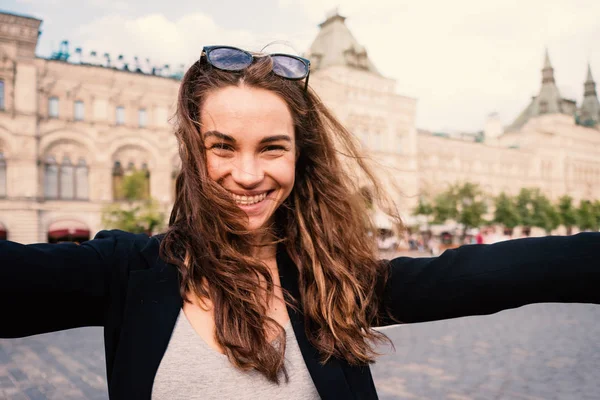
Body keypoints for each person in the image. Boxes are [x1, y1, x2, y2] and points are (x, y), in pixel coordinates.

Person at [1, 45, 599, 400]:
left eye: (272, 147)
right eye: (222, 146)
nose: (248, 172)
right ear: (192, 152)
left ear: (299, 156)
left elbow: (489, 273)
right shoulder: (125, 272)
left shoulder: (333, 285)